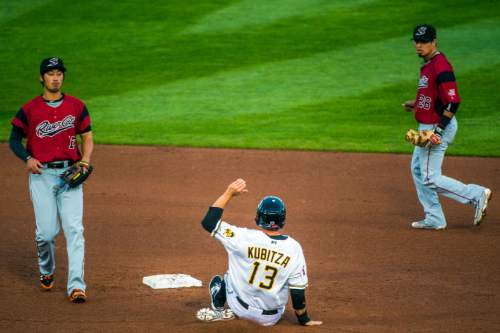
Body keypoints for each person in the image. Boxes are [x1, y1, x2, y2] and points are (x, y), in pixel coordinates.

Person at [9, 57, 93, 302]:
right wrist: (27, 157)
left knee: (75, 230)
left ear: (63, 77)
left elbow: (87, 136)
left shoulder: (77, 106)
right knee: (46, 234)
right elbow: (14, 139)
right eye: (50, 73)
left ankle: (77, 286)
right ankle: (46, 270)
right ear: (41, 78)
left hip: (70, 176)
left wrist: (85, 160)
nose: (55, 77)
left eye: (59, 73)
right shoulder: (29, 109)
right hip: (42, 176)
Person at [195, 178, 322, 326]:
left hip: (239, 309)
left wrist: (229, 193)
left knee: (230, 273)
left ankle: (218, 307)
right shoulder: (294, 248)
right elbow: (297, 293)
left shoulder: (242, 237)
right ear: (282, 220)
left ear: (259, 217)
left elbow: (208, 222)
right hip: (271, 319)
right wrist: (304, 320)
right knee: (288, 282)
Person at [403, 25, 492, 230]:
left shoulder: (441, 66)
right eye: (416, 41)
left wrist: (438, 131)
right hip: (429, 123)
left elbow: (453, 101)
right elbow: (435, 97)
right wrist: (416, 104)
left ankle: (476, 195)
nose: (419, 45)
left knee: (429, 177)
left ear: (434, 41)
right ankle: (434, 217)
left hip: (436, 126)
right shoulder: (430, 64)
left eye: (424, 41)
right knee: (418, 169)